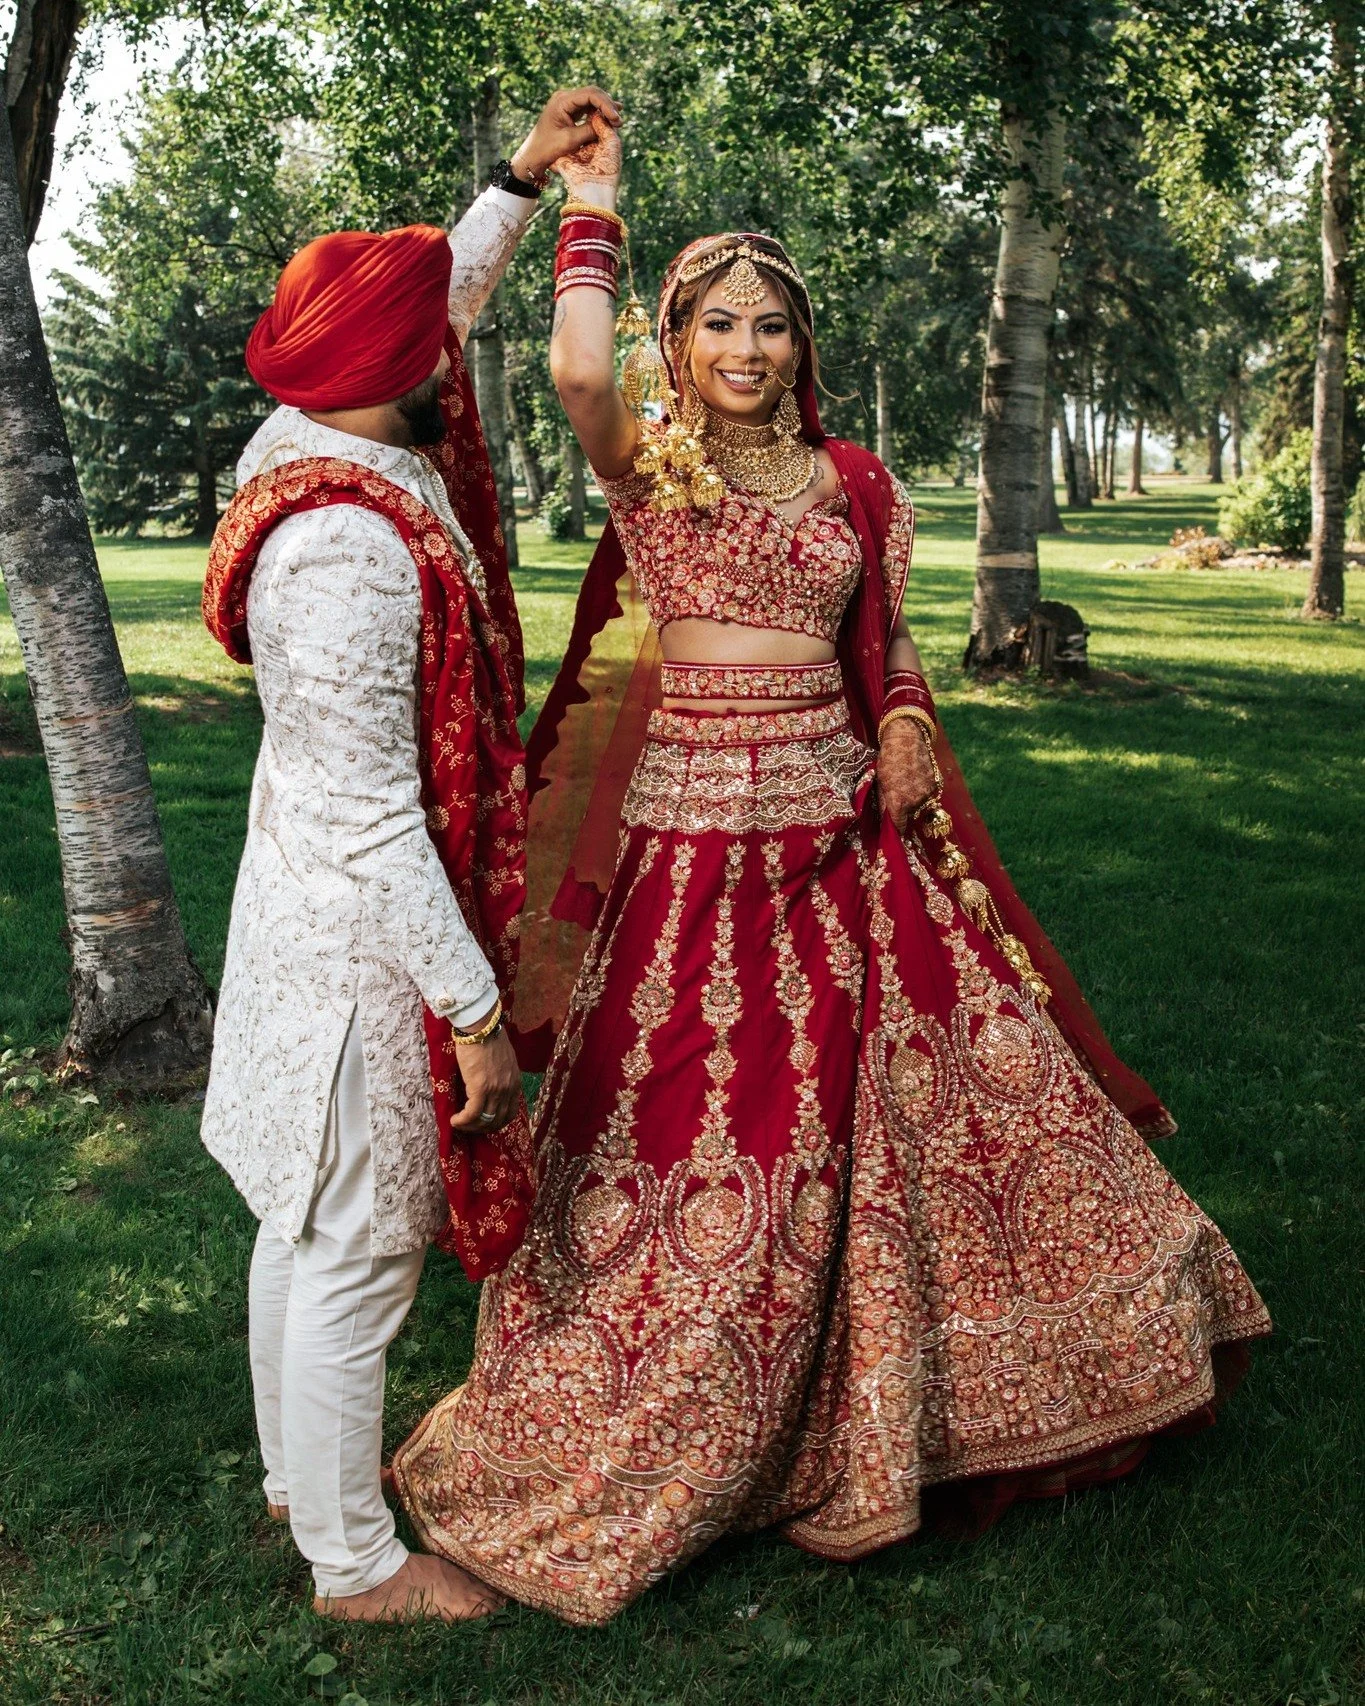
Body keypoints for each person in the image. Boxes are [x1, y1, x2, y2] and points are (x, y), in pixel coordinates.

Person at [390, 121, 1271, 1626]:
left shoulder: (861, 485)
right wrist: (585, 214)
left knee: (959, 1112)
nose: (747, 343)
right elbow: (578, 376)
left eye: (771, 320)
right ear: (680, 342)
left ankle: (920, 1400)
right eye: (718, 322)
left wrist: (917, 713)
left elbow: (891, 646)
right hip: (692, 873)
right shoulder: (653, 467)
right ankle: (687, 1419)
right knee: (696, 1150)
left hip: (850, 851)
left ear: (806, 342)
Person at [198, 87, 622, 1624]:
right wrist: (467, 1015)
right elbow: (382, 812)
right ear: (400, 373)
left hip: (311, 909)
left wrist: (519, 181)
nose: (455, 343)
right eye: (432, 339)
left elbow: (437, 292)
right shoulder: (350, 551)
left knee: (300, 1222)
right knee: (363, 1244)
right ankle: (354, 1565)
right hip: (362, 945)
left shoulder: (311, 427)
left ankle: (297, 1476)